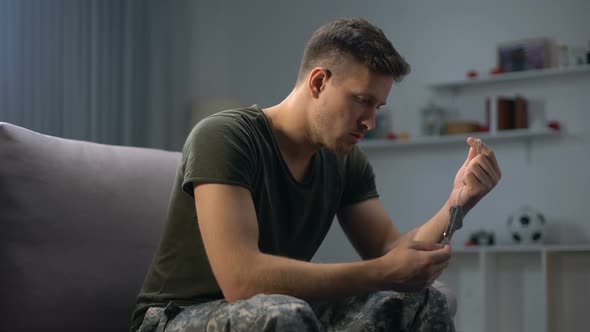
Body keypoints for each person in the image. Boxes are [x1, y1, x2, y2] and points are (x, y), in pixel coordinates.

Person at [131, 17, 501, 332]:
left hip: (277, 308)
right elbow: (241, 280)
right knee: (282, 313)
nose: (370, 122)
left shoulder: (345, 160)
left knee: (423, 303)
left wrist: (459, 201)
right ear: (319, 82)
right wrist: (382, 272)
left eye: (378, 106)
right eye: (362, 101)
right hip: (173, 318)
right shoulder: (225, 137)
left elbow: (393, 251)